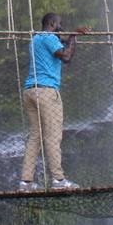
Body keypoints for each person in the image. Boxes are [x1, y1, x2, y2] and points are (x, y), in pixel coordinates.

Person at [19, 12, 89, 191]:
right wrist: (73, 36)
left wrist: (71, 36)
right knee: (53, 136)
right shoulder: (49, 37)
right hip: (46, 92)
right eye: (59, 24)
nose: (61, 27)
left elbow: (60, 42)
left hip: (30, 91)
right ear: (51, 23)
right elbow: (66, 57)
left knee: (36, 136)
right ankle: (58, 180)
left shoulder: (36, 39)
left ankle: (25, 182)